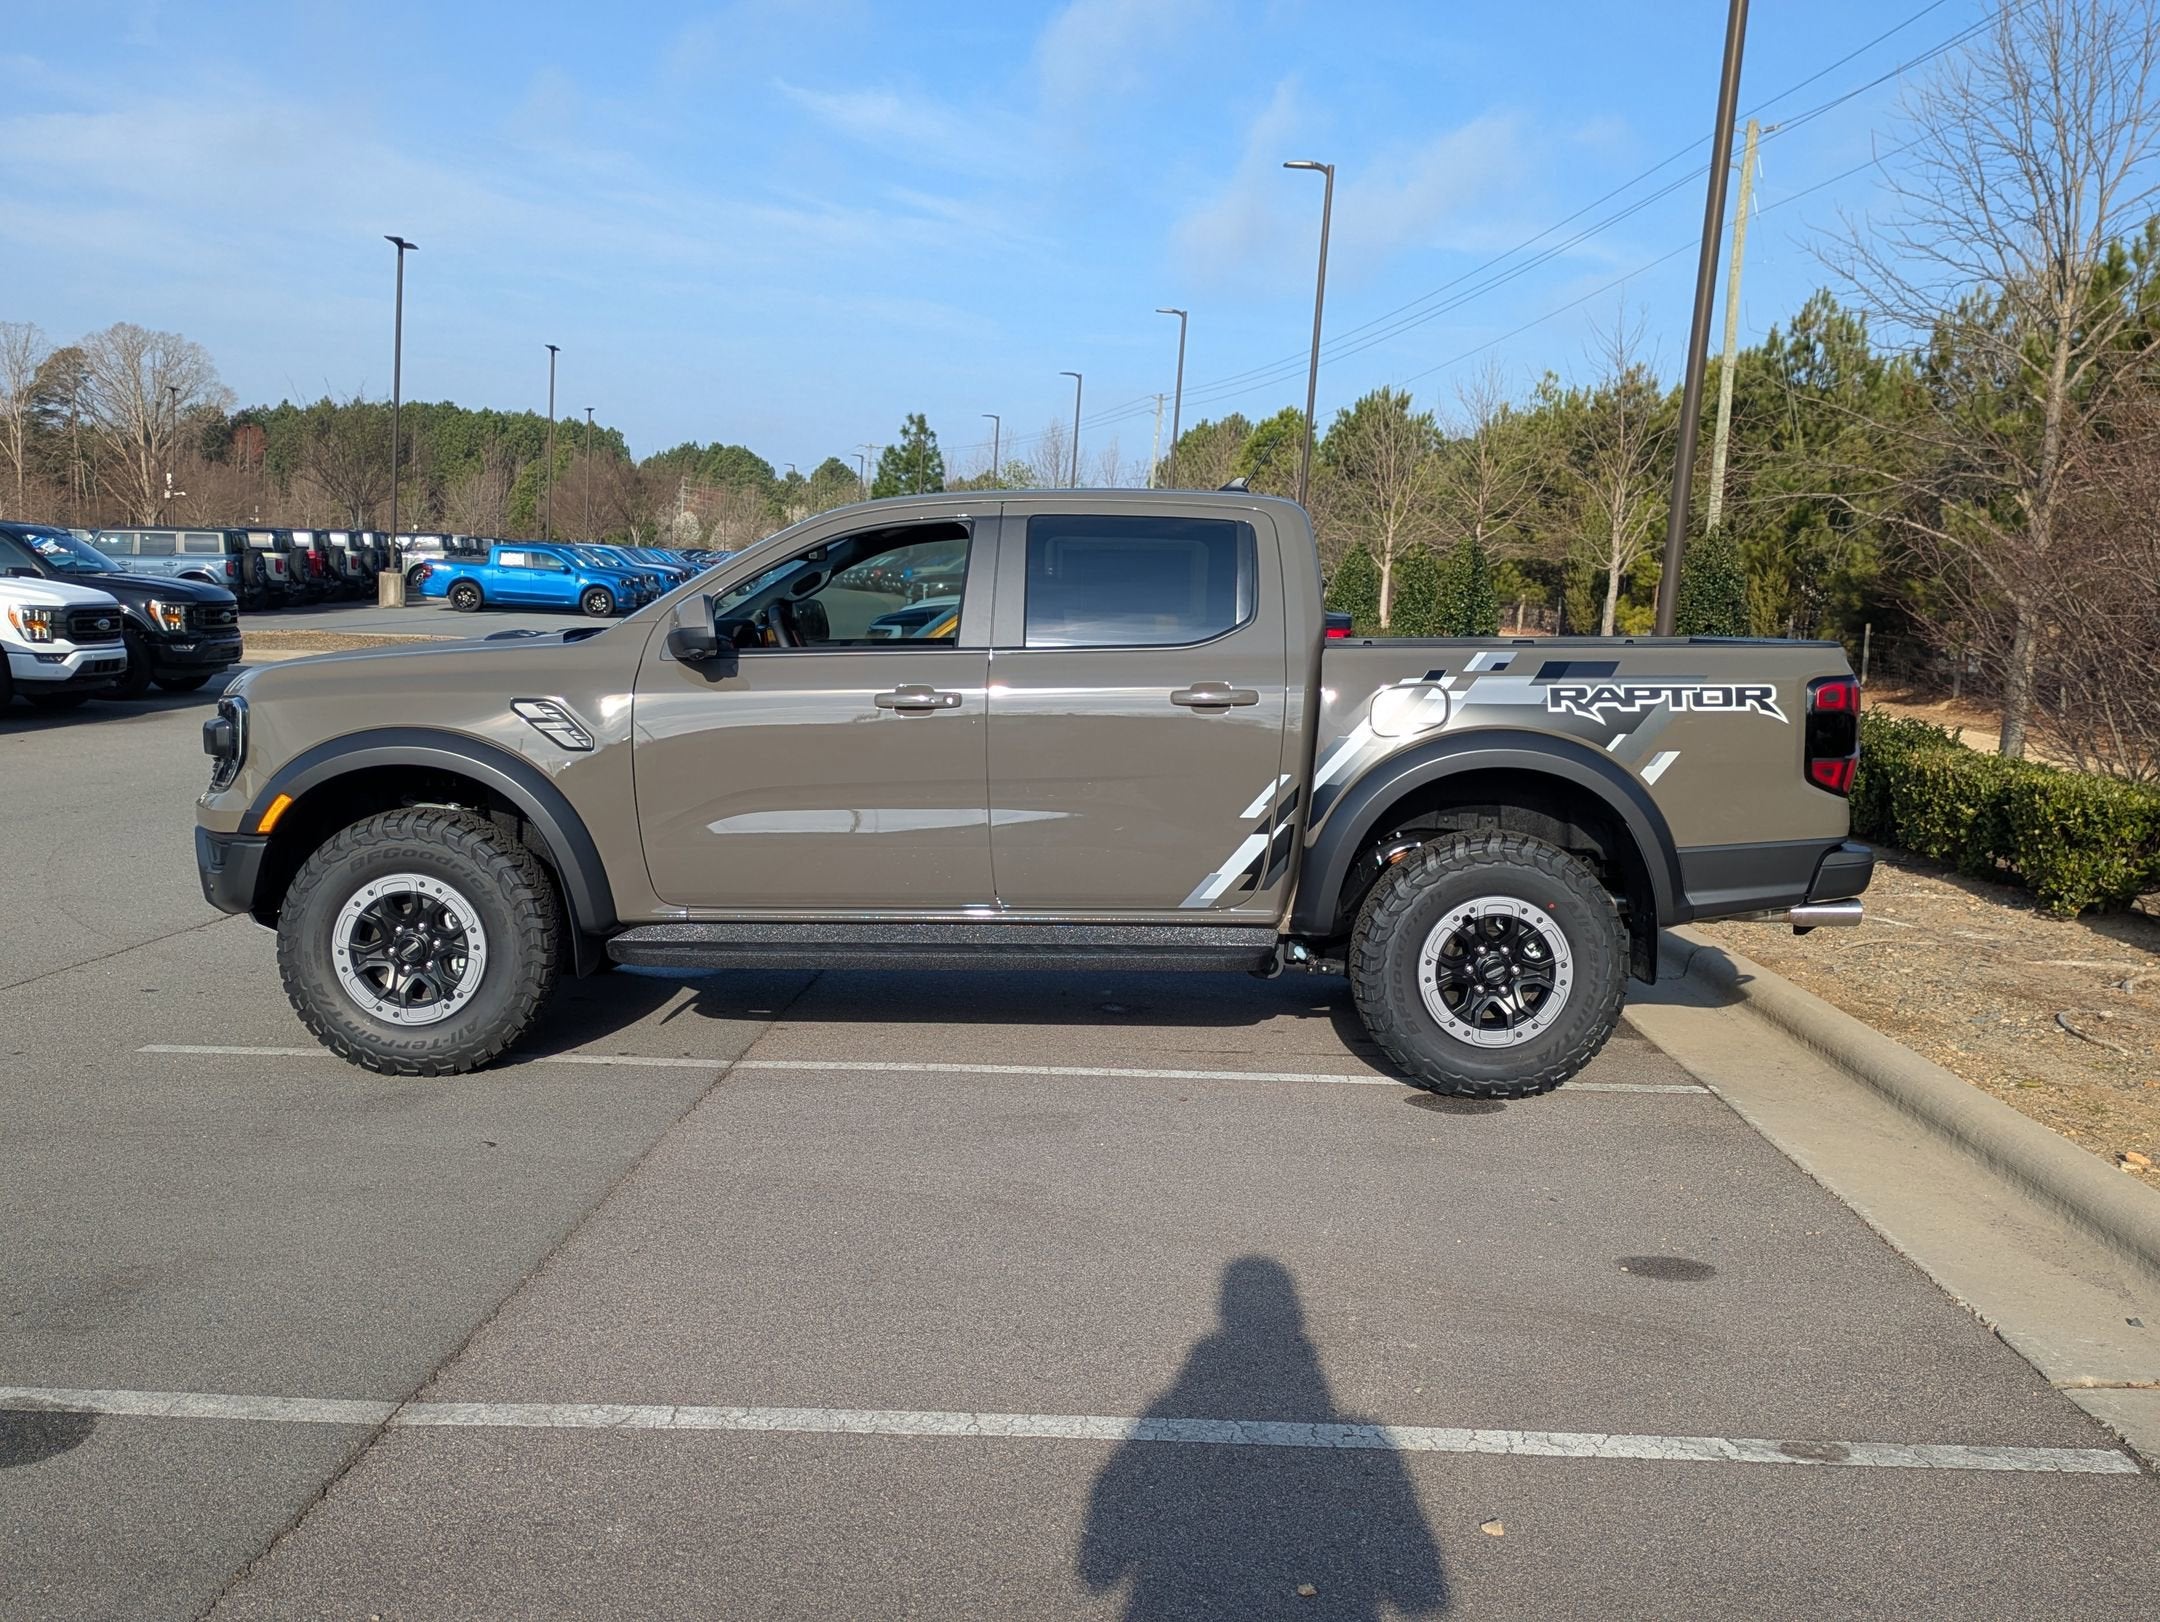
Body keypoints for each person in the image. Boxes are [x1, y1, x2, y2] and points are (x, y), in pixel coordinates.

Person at [1078, 1256, 1447, 1619]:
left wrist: (1100, 1563)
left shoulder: (1208, 1353)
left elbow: (1115, 1486)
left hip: (1156, 1590)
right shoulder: (1228, 1354)